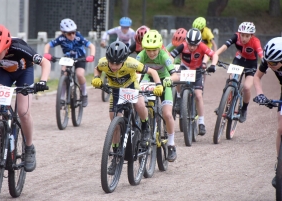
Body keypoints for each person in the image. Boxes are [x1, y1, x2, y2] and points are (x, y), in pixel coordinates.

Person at [0, 25, 51, 172]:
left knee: (23, 112)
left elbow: (46, 63)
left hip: (24, 73)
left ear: (6, 47)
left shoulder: (19, 47)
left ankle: (29, 148)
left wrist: (42, 82)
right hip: (3, 72)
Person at [91, 41, 163, 174]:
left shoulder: (132, 63)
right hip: (116, 91)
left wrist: (159, 85)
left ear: (124, 60)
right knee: (115, 123)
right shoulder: (103, 63)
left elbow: (152, 71)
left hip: (131, 87)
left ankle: (145, 126)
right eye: (111, 62)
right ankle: (115, 156)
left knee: (140, 103)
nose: (113, 66)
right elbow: (97, 69)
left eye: (117, 63)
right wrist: (97, 77)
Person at [136, 30, 179, 162]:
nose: (152, 53)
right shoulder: (141, 55)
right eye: (148, 50)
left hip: (165, 80)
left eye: (154, 50)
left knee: (167, 114)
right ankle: (144, 129)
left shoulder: (164, 56)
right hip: (148, 80)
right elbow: (134, 71)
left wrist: (169, 80)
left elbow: (175, 75)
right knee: (140, 102)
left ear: (159, 47)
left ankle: (171, 144)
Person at [170, 28, 219, 136]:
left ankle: (201, 122)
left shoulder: (202, 46)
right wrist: (171, 66)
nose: (192, 47)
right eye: (190, 44)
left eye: (194, 45)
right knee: (176, 78)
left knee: (198, 95)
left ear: (199, 43)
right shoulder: (183, 45)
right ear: (186, 41)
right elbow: (171, 55)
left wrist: (213, 65)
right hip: (185, 68)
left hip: (197, 71)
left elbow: (214, 55)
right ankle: (178, 97)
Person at [216, 22, 263, 123]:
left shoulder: (255, 41)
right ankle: (223, 104)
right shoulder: (236, 37)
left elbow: (261, 54)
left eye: (247, 36)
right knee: (231, 80)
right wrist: (215, 54)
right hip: (239, 59)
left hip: (251, 64)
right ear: (239, 33)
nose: (244, 38)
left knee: (246, 87)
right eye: (242, 35)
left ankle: (244, 109)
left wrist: (265, 64)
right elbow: (225, 46)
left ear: (251, 35)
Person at [43, 18, 95, 107]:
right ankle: (62, 97)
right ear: (63, 33)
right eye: (69, 33)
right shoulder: (61, 38)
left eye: (73, 32)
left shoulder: (79, 37)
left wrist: (92, 56)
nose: (72, 35)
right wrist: (46, 54)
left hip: (80, 58)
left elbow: (91, 46)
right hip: (68, 58)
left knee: (79, 74)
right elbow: (48, 45)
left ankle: (84, 94)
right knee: (64, 74)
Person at [253, 37, 282, 188]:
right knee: (281, 128)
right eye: (268, 62)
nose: (270, 66)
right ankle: (280, 165)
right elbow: (257, 77)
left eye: (274, 64)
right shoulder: (269, 60)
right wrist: (260, 94)